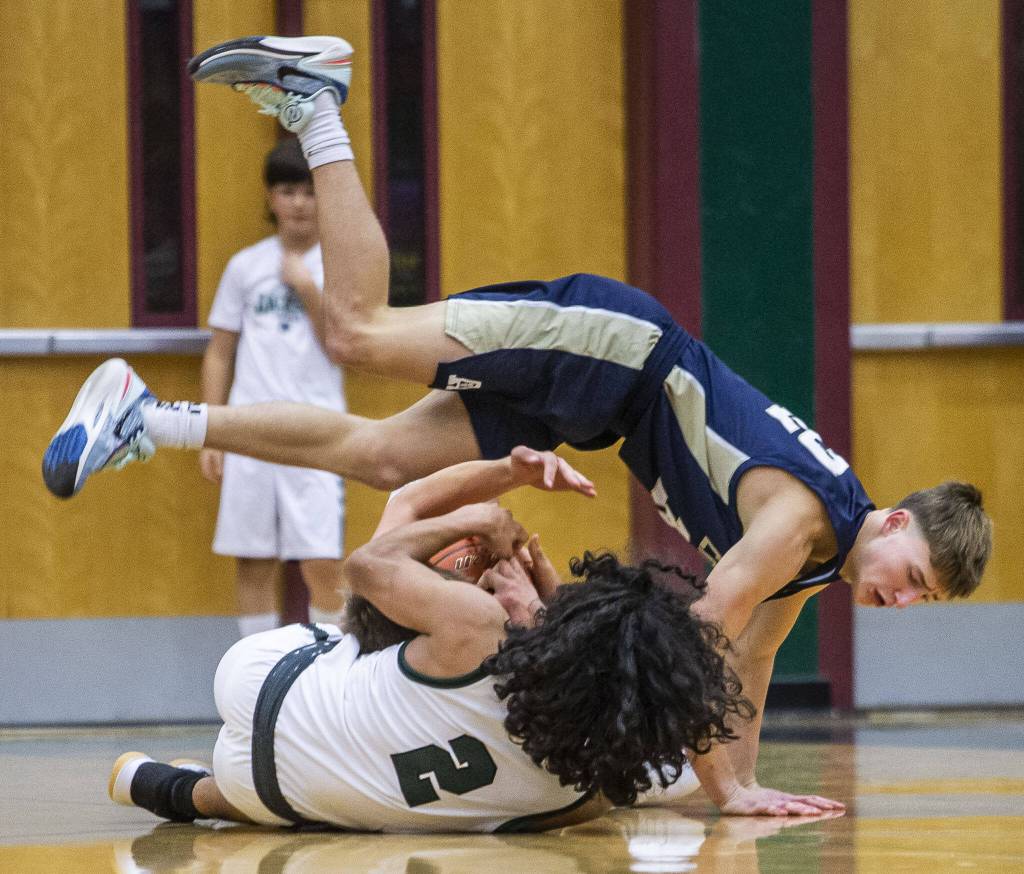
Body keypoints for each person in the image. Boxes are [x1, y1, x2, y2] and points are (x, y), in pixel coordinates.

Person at [44, 35, 992, 815]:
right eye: (913, 580)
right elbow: (703, 634)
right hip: (611, 350)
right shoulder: (801, 526)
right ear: (898, 522)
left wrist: (737, 786)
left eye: (922, 603)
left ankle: (152, 419)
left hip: (598, 402)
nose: (903, 601)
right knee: (356, 331)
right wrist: (696, 772)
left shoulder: (818, 551)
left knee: (377, 456)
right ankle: (319, 98)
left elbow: (749, 658)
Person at [106, 452, 754, 832]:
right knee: (359, 791)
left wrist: (484, 508)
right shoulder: (585, 788)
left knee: (351, 696)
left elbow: (371, 557)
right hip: (276, 794)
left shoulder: (475, 629)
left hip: (263, 678)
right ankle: (173, 789)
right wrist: (540, 598)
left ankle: (179, 788)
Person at [200, 136, 348, 636]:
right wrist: (211, 429)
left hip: (319, 431)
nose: (300, 203)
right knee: (253, 559)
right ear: (271, 197)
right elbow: (220, 350)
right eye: (288, 190)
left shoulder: (343, 265)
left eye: (309, 191)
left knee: (321, 561)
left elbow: (344, 348)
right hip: (247, 428)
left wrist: (308, 288)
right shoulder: (246, 266)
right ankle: (256, 682)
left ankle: (329, 679)